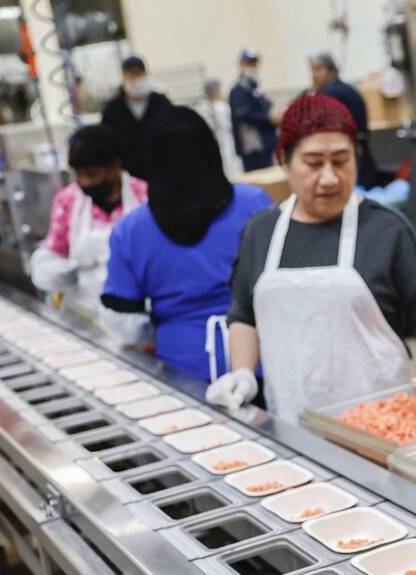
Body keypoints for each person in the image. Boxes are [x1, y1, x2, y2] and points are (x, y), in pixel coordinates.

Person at [206, 95, 416, 423]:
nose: (329, 178)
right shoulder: (261, 231)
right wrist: (241, 373)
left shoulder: (385, 229)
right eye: (313, 163)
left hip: (383, 423)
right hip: (291, 420)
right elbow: (243, 314)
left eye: (341, 161)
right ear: (283, 161)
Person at [102, 106, 272, 380]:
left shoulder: (131, 231)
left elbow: (126, 322)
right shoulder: (254, 205)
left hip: (182, 372)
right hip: (260, 363)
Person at [29, 124, 147, 325]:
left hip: (138, 315)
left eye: (92, 174)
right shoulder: (67, 202)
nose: (84, 182)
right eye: (78, 174)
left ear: (115, 165)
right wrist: (60, 270)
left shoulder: (144, 196)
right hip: (87, 315)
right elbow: (54, 252)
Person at [309, 51, 375, 187]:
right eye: (312, 70)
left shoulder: (330, 94)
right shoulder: (348, 89)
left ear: (331, 70)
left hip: (347, 153)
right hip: (360, 150)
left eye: (318, 69)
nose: (314, 75)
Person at [101, 56, 172, 181]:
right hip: (128, 176)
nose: (136, 78)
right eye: (131, 74)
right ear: (124, 76)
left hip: (163, 172)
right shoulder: (113, 109)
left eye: (139, 73)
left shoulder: (161, 103)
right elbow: (107, 142)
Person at [228, 49, 277, 172]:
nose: (253, 67)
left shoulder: (254, 88)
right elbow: (243, 114)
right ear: (242, 64)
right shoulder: (239, 90)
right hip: (253, 147)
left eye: (254, 63)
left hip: (264, 144)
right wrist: (268, 117)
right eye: (249, 63)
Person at [200, 78, 242, 179]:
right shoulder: (221, 106)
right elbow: (228, 125)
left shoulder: (202, 107)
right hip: (225, 140)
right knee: (232, 167)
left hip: (213, 143)